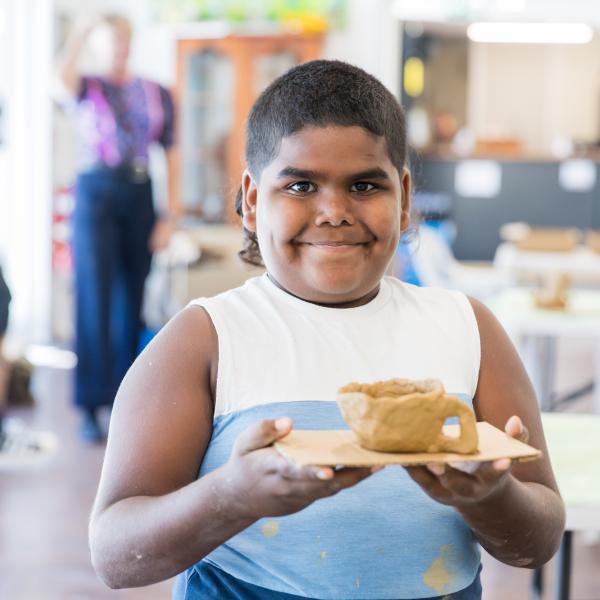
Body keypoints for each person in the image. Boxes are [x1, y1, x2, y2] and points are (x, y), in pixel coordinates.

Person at [89, 60, 565, 599]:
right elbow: (115, 555)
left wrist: (489, 496)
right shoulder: (206, 340)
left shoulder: (468, 328)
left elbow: (539, 538)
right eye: (300, 185)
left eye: (365, 185)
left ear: (405, 199)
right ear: (250, 199)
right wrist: (231, 496)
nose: (334, 211)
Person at [56, 14, 179, 442]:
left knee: (132, 298)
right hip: (95, 193)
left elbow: (171, 154)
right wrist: (83, 29)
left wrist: (169, 213)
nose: (119, 48)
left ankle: (129, 400)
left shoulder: (155, 91)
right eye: (112, 41)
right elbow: (60, 75)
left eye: (125, 39)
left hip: (140, 193)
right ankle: (91, 404)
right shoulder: (85, 85)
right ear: (101, 43)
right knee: (94, 296)